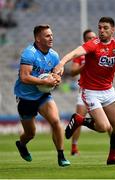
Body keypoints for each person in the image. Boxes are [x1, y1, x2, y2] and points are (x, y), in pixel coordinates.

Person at [53, 17, 115, 165]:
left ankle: (112, 157)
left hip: (108, 90)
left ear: (113, 30)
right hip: (90, 91)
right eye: (100, 28)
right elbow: (74, 54)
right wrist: (61, 63)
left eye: (105, 28)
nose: (101, 31)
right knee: (103, 127)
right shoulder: (93, 45)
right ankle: (79, 120)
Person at [14, 24, 70, 167]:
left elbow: (57, 72)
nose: (51, 37)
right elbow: (24, 77)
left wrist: (57, 78)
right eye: (47, 35)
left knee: (56, 122)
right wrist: (44, 81)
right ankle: (21, 144)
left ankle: (61, 156)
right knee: (30, 134)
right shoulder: (29, 53)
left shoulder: (54, 55)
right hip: (26, 98)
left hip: (43, 96)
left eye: (51, 35)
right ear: (38, 39)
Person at [70, 29, 115, 155]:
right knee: (80, 116)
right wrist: (86, 65)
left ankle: (114, 148)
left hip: (103, 90)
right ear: (85, 40)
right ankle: (74, 147)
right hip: (86, 91)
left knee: (109, 122)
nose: (92, 39)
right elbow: (72, 72)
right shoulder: (81, 54)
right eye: (89, 38)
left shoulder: (102, 50)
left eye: (93, 37)